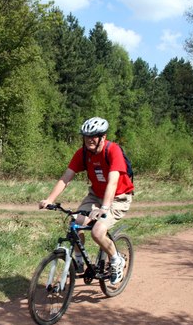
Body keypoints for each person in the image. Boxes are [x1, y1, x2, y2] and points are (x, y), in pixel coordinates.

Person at [39, 117, 134, 285]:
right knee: (75, 224)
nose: (89, 139)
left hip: (118, 197)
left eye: (94, 136)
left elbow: (113, 182)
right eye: (86, 136)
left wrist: (104, 208)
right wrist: (49, 199)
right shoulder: (82, 153)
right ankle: (78, 261)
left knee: (97, 232)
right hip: (95, 196)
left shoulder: (113, 151)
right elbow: (66, 177)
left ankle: (116, 260)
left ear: (102, 137)